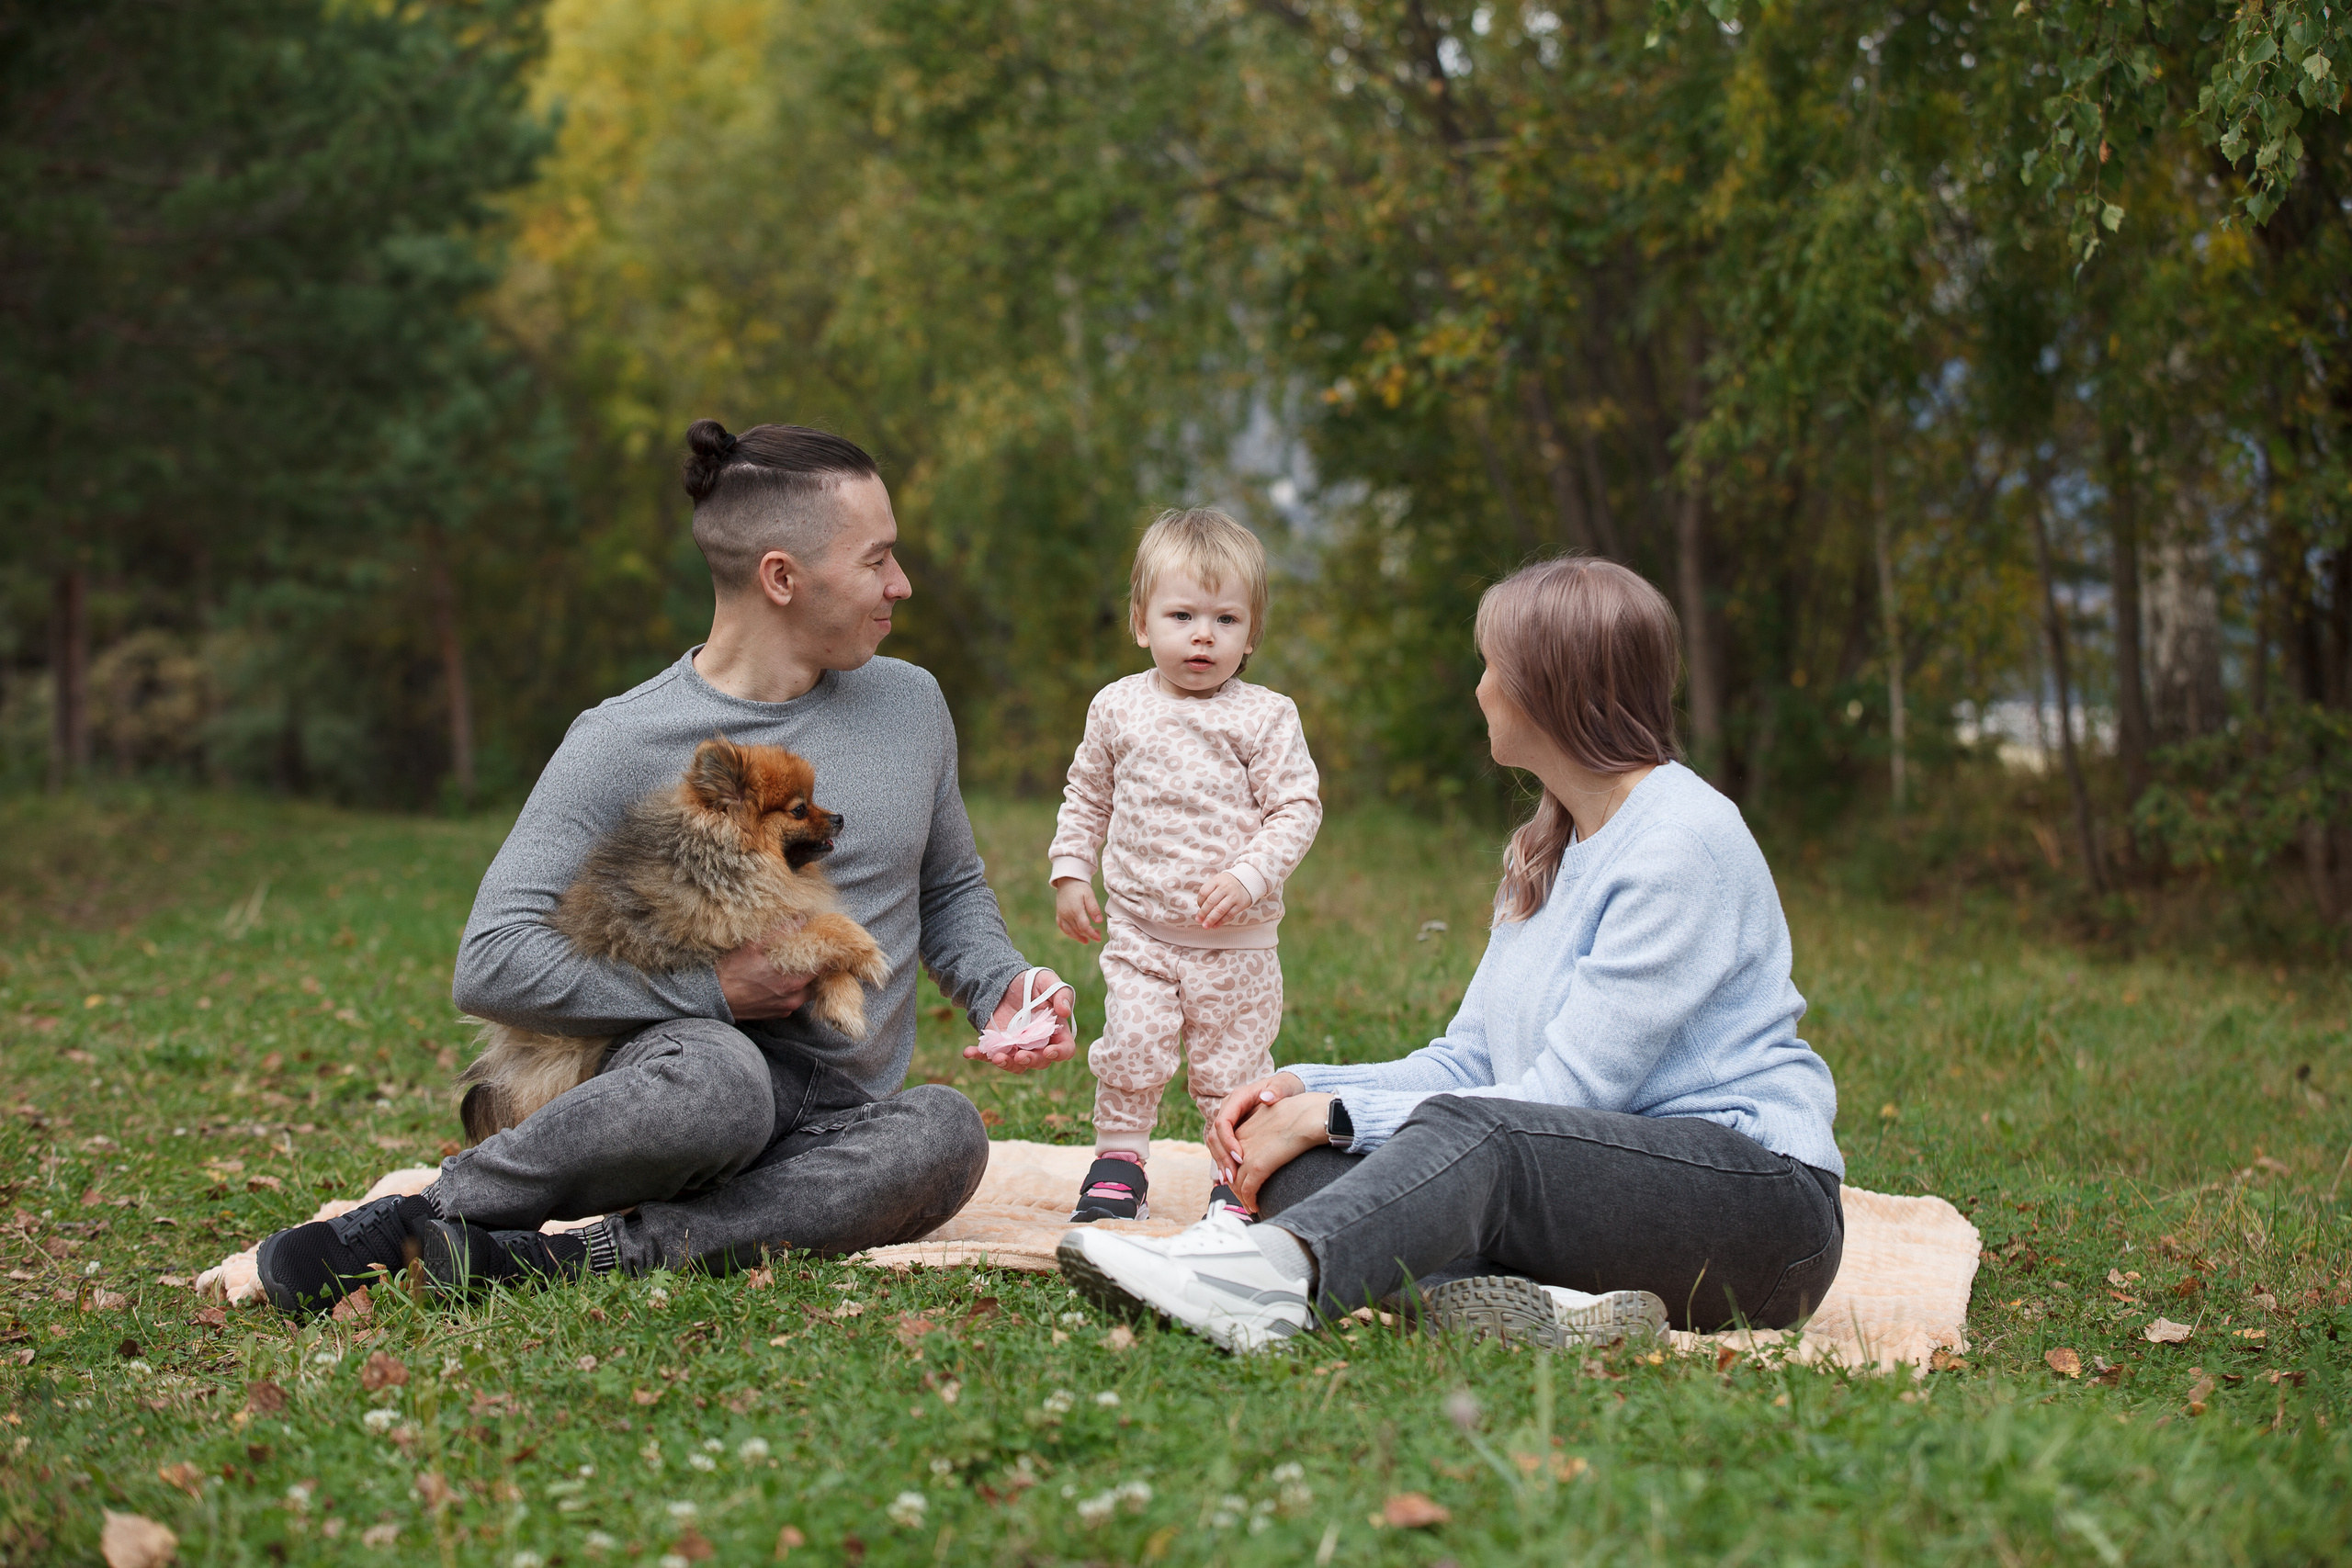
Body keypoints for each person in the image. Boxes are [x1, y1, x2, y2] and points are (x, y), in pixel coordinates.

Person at [254, 419, 1076, 1311]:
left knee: (946, 1132)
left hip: (832, 1120)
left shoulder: (911, 704)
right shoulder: (620, 739)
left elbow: (948, 890)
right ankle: (422, 1218)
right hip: (677, 1087)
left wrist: (1005, 983)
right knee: (721, 1083)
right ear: (781, 577)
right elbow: (491, 962)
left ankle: (570, 1259)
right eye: (877, 560)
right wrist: (718, 993)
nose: (900, 585)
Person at [1057, 557, 1845, 1352]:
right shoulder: (1552, 842)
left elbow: (1559, 1101)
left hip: (1761, 1212)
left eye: (1492, 667)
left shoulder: (1681, 844)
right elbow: (1469, 1060)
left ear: (1548, 687)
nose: (1480, 689)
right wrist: (1300, 1088)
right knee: (1300, 1169)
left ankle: (1265, 1283)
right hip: (1573, 1175)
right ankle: (1542, 1309)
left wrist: (1334, 1114)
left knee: (1453, 1138)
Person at [1045, 510, 1322, 1224]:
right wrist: (1072, 868)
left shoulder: (1264, 716)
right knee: (1131, 1042)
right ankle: (1119, 1159)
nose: (1204, 634)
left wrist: (1250, 875)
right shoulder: (1118, 708)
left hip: (1236, 945)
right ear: (1142, 622)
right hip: (1141, 932)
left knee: (1233, 1070)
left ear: (1251, 633)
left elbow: (1297, 808)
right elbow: (1087, 794)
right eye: (1183, 614)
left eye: (1227, 618)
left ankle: (1235, 1176)